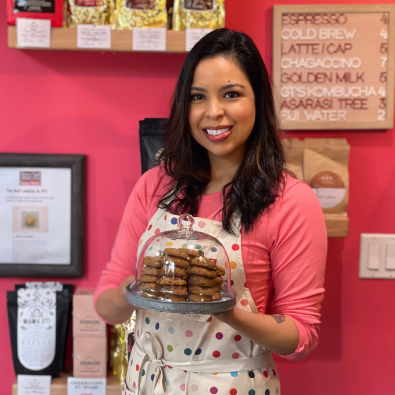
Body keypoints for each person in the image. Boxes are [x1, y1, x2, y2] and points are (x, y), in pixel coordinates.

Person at [94, 29, 327, 394]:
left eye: (231, 94)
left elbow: (300, 335)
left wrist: (225, 310)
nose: (213, 112)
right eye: (197, 97)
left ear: (257, 101)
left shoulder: (292, 202)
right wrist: (138, 290)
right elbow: (107, 303)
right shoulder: (155, 185)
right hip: (147, 383)